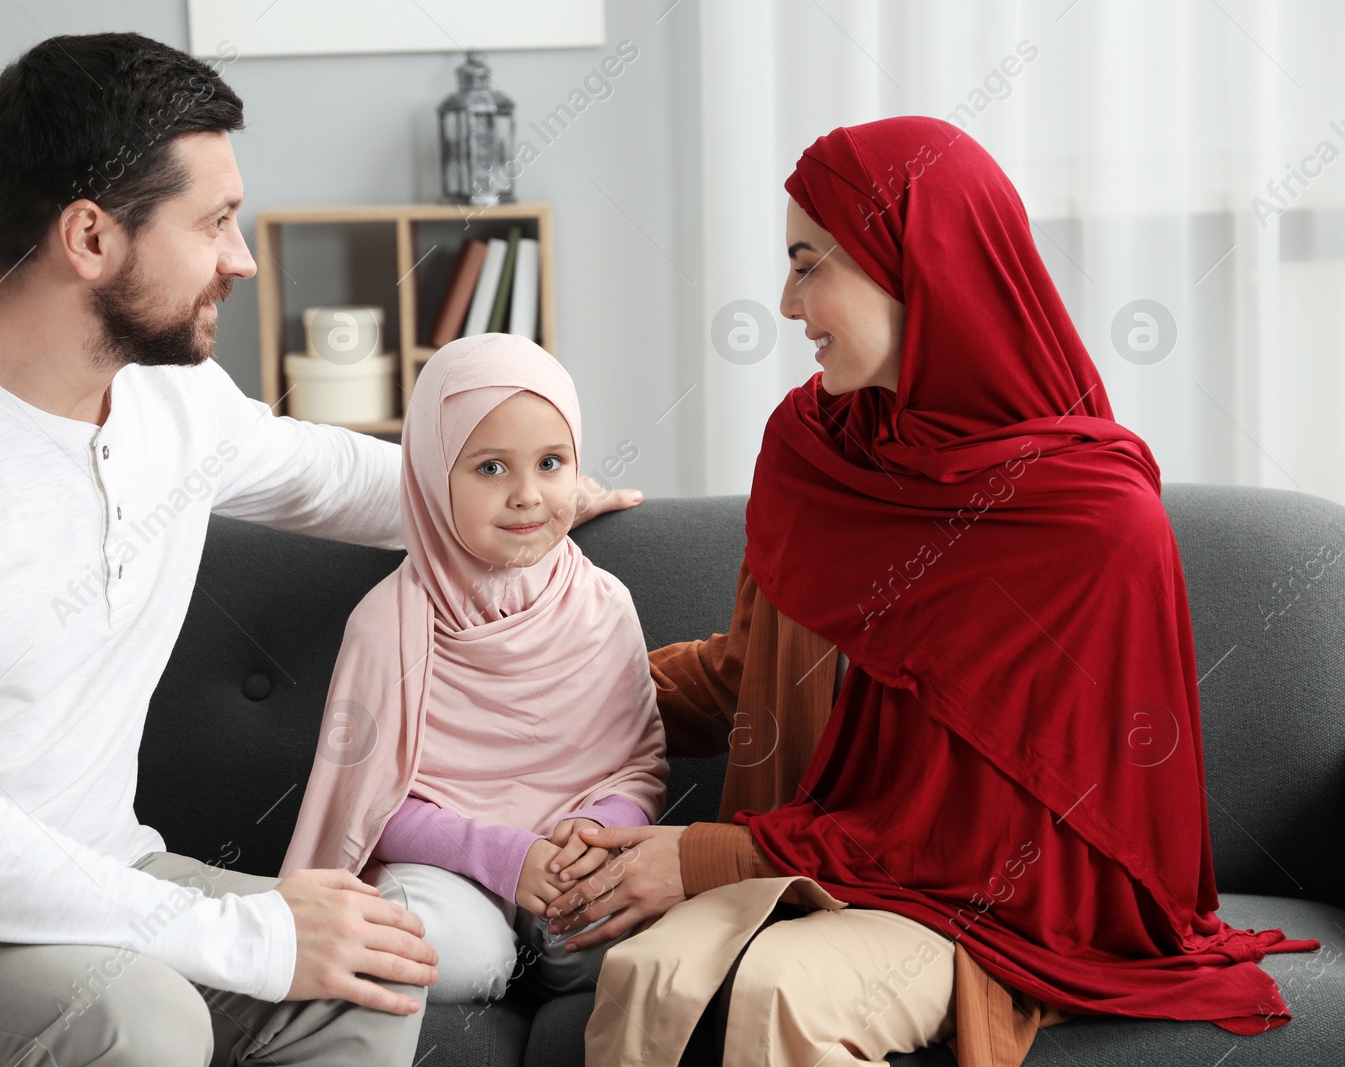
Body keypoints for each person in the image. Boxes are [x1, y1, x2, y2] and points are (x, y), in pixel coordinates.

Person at [0, 32, 635, 1067]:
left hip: (102, 877)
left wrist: (525, 494)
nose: (241, 257)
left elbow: (340, 475)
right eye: (213, 222)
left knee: (376, 962)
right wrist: (250, 932)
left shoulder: (173, 401)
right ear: (89, 236)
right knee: (136, 1014)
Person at [541, 116, 1321, 1067]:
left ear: (914, 263)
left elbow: (1011, 839)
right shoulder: (812, 449)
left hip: (983, 901)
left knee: (784, 995)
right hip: (812, 860)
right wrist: (544, 671)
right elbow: (750, 673)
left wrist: (710, 856)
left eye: (806, 264)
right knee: (643, 975)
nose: (786, 305)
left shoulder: (1091, 521)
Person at [282, 333, 667, 1007]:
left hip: (572, 858)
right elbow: (369, 803)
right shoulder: (386, 624)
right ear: (433, 475)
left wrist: (596, 829)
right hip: (446, 867)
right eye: (490, 468)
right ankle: (495, 941)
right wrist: (505, 857)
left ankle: (557, 943)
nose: (527, 495)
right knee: (456, 952)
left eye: (551, 463)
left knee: (613, 939)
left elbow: (639, 762)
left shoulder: (602, 603)